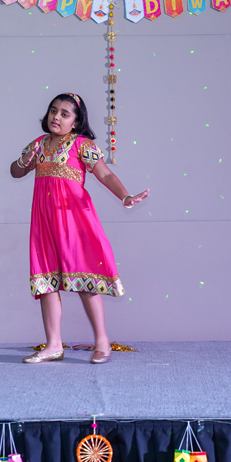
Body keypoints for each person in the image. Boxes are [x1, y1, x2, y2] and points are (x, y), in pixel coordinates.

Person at [10, 93, 149, 364]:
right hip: (44, 220)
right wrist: (23, 160)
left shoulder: (81, 145)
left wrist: (125, 197)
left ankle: (102, 343)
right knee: (46, 280)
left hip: (73, 220)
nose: (56, 117)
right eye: (53, 111)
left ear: (75, 122)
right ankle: (53, 345)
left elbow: (105, 174)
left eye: (65, 114)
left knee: (84, 280)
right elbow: (16, 172)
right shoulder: (39, 144)